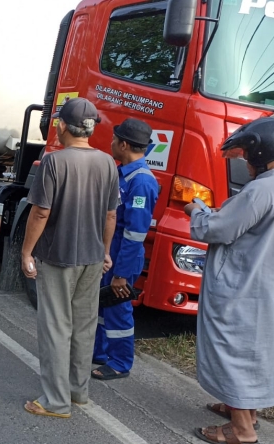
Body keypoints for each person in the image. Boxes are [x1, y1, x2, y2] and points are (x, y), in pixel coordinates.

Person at [186, 117, 274, 444]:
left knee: (234, 348)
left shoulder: (262, 189)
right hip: (273, 283)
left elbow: (217, 229)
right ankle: (246, 411)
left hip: (244, 284)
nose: (245, 162)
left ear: (262, 152)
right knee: (258, 350)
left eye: (246, 156)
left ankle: (242, 430)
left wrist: (197, 209)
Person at [21, 98, 119, 418]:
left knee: (55, 327)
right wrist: (105, 251)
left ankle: (55, 401)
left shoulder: (54, 161)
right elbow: (110, 216)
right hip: (92, 258)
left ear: (62, 126)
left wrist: (26, 252)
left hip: (58, 257)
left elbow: (40, 212)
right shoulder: (107, 163)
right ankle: (78, 391)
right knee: (84, 326)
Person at [92, 118, 159, 381]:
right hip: (112, 253)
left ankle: (120, 362)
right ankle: (100, 352)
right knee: (102, 306)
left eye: (113, 139)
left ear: (123, 144)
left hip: (123, 257)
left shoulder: (141, 181)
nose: (110, 143)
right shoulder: (124, 173)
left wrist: (121, 272)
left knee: (118, 310)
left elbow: (135, 234)